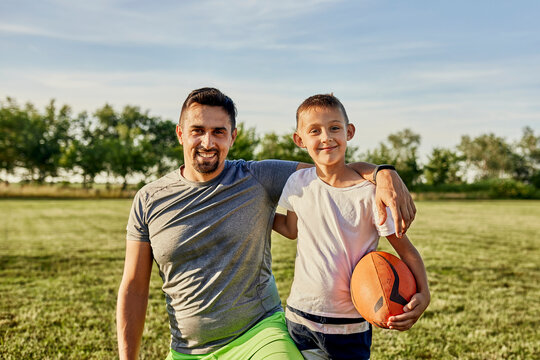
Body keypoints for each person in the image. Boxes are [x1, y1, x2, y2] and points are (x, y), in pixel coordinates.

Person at [116, 87, 416, 360]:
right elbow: (134, 286)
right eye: (198, 131)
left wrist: (383, 173)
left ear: (232, 137)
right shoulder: (149, 199)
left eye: (219, 132)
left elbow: (330, 169)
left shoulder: (257, 177)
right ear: (181, 134)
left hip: (259, 335)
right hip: (186, 349)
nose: (208, 142)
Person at [272, 94, 430, 360]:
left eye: (334, 128)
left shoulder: (370, 194)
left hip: (350, 325)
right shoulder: (297, 183)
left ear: (349, 132)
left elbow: (406, 249)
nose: (326, 137)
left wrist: (424, 293)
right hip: (300, 318)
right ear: (299, 140)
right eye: (314, 131)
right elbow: (290, 229)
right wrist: (255, 216)